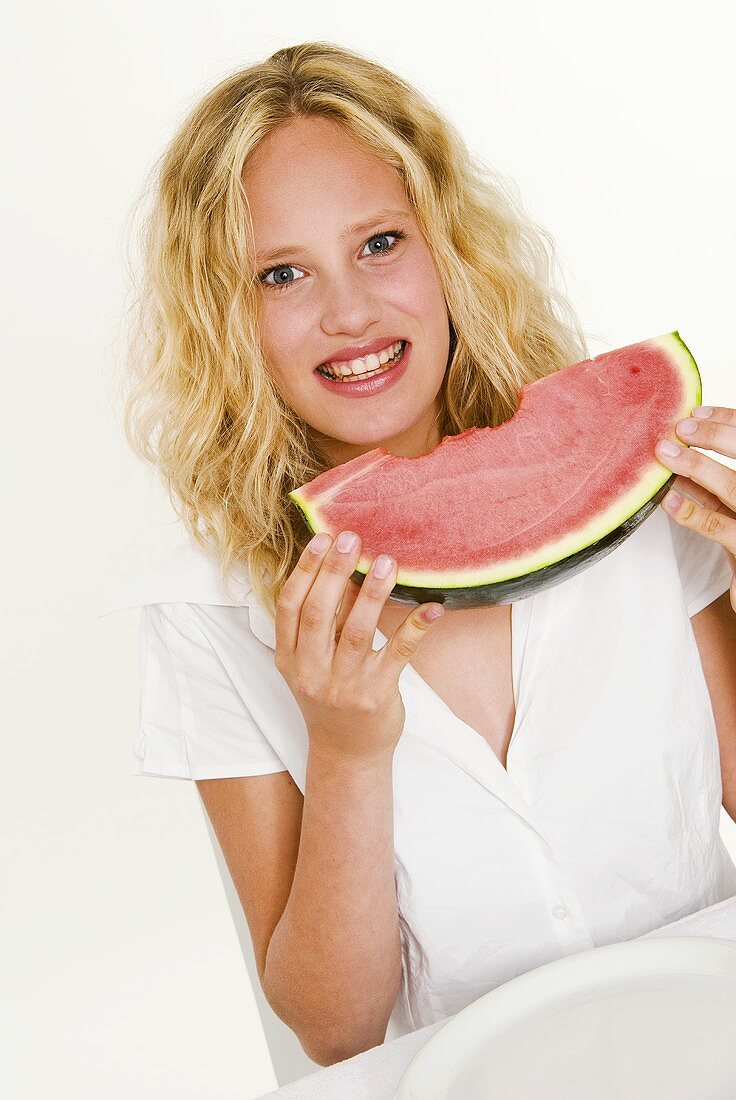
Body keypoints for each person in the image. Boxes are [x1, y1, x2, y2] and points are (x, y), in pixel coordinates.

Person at [99, 41, 736, 1068]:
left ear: (447, 246)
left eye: (381, 243)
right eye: (281, 274)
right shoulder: (208, 615)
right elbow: (335, 1026)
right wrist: (347, 748)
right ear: (227, 320)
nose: (349, 312)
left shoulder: (644, 490)